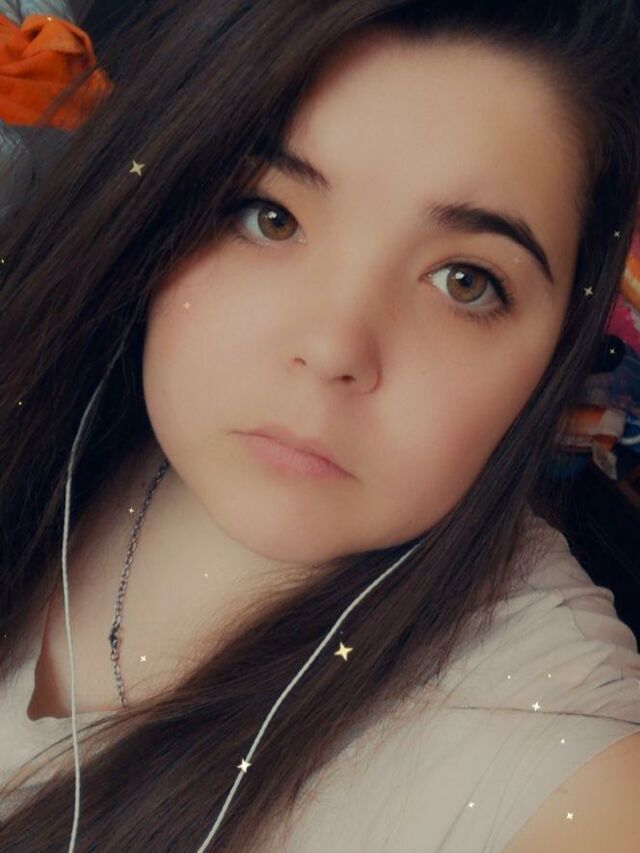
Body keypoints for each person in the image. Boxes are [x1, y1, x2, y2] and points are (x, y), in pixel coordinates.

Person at [0, 1, 639, 850]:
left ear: (559, 344)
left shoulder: (548, 737)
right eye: (269, 216)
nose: (334, 347)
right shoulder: (53, 396)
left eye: (464, 280)